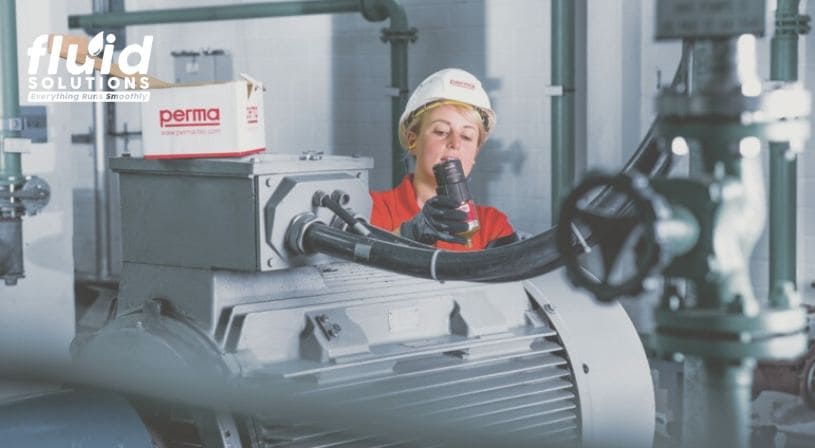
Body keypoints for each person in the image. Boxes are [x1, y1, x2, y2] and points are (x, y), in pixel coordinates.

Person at [370, 68, 518, 251]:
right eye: (441, 132)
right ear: (412, 141)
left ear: (475, 153)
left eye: (466, 136)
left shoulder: (493, 227)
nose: (455, 143)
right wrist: (411, 232)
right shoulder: (372, 208)